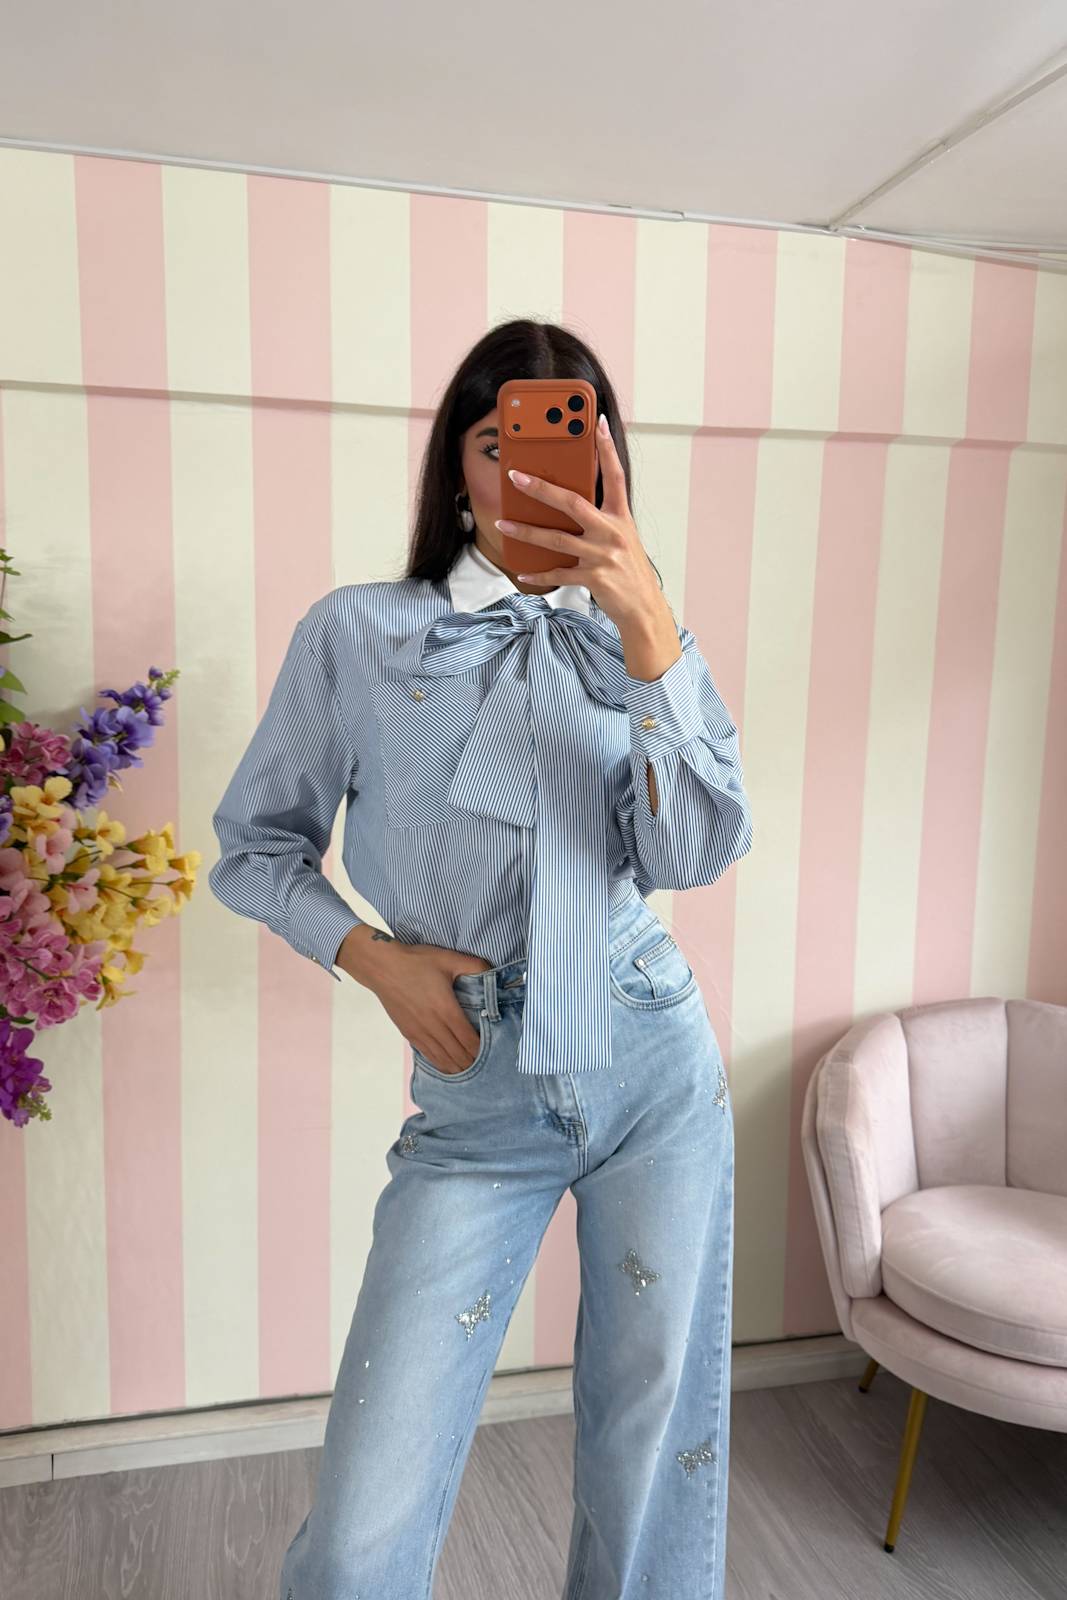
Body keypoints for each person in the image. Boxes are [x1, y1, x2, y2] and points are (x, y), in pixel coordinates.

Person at [209, 317, 752, 1599]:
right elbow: (254, 847)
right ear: (456, 464)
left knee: (650, 1443)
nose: (529, 474)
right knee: (363, 1522)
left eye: (565, 443)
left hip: (651, 1063)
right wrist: (371, 958)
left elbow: (692, 852)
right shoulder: (358, 634)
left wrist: (648, 632)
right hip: (475, 1085)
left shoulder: (636, 641)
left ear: (605, 465)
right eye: (501, 442)